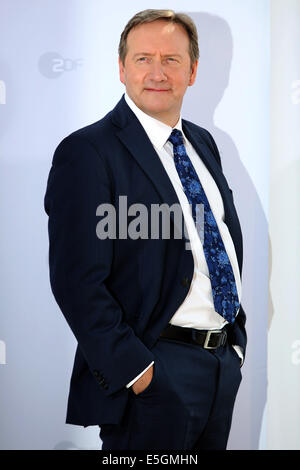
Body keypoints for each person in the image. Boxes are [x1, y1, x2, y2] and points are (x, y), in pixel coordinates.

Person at [44, 9, 246, 450]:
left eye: (171, 60)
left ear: (193, 71)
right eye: (143, 59)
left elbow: (219, 241)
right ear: (121, 69)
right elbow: (77, 282)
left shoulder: (204, 144)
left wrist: (235, 348)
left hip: (219, 367)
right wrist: (139, 374)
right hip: (154, 374)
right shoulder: (88, 152)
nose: (157, 72)